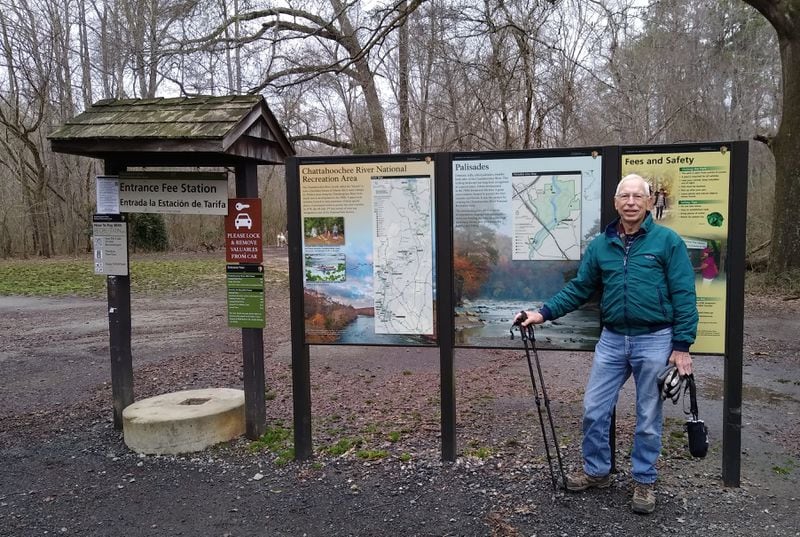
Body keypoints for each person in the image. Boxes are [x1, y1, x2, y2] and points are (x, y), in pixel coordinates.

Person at [514, 174, 698, 515]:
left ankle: (643, 480)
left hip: (655, 339)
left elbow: (684, 294)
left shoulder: (667, 242)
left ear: (647, 202)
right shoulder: (602, 245)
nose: (630, 202)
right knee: (594, 409)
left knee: (647, 415)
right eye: (624, 196)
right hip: (612, 339)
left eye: (637, 196)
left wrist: (682, 345)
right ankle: (597, 472)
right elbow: (580, 288)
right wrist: (542, 313)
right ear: (616, 203)